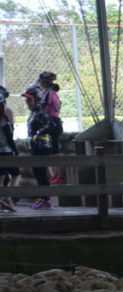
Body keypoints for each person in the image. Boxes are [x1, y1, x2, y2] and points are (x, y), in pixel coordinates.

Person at [23, 71, 62, 210]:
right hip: (36, 146)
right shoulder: (34, 112)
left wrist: (38, 133)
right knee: (38, 173)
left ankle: (46, 198)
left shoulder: (40, 112)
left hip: (42, 146)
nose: (26, 102)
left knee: (41, 173)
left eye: (29, 99)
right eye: (26, 99)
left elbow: (52, 125)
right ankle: (43, 197)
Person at [0, 86, 18, 212]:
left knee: (2, 178)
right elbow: (10, 135)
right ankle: (8, 199)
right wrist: (14, 150)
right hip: (5, 151)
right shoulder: (6, 115)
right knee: (15, 174)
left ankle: (6, 199)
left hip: (5, 150)